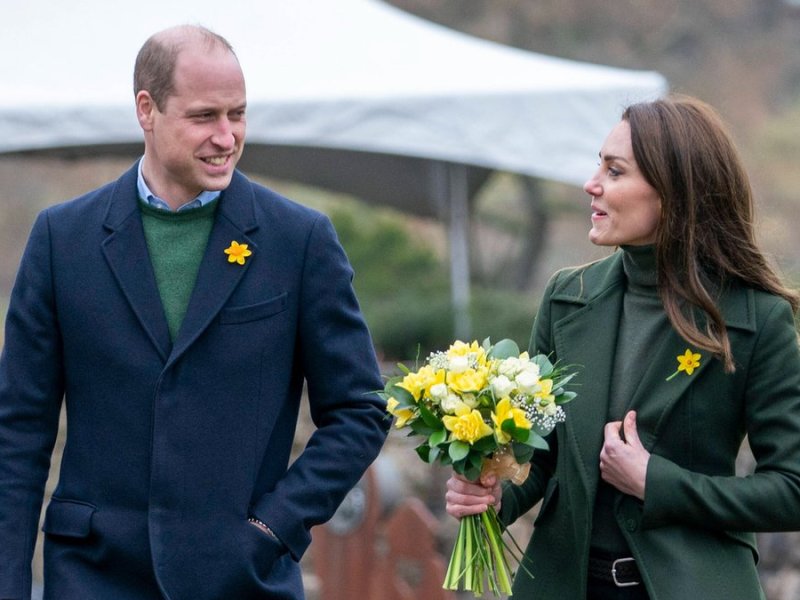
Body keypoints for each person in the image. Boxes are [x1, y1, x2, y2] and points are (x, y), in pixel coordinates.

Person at [0, 24, 388, 600]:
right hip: (92, 576)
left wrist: (271, 527)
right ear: (146, 109)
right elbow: (18, 431)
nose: (227, 136)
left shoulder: (299, 240)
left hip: (242, 579)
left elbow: (359, 411)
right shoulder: (62, 238)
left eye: (238, 114)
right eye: (205, 116)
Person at [445, 94, 800, 599]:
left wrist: (661, 483)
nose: (591, 186)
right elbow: (543, 457)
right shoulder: (567, 298)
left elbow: (791, 489)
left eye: (615, 172)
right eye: (599, 168)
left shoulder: (756, 318)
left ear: (674, 192)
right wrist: (493, 494)